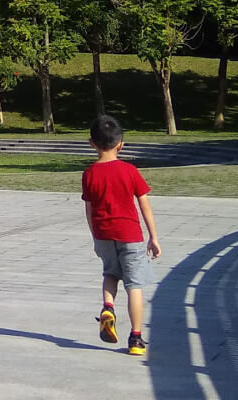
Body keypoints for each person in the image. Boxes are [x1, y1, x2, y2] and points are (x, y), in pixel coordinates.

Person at [83, 114, 162, 356]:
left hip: (103, 234)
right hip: (129, 233)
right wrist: (153, 236)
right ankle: (136, 339)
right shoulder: (129, 171)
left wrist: (95, 235)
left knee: (110, 274)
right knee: (134, 285)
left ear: (91, 143)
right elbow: (144, 205)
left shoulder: (89, 174)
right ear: (121, 144)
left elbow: (89, 209)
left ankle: (108, 307)